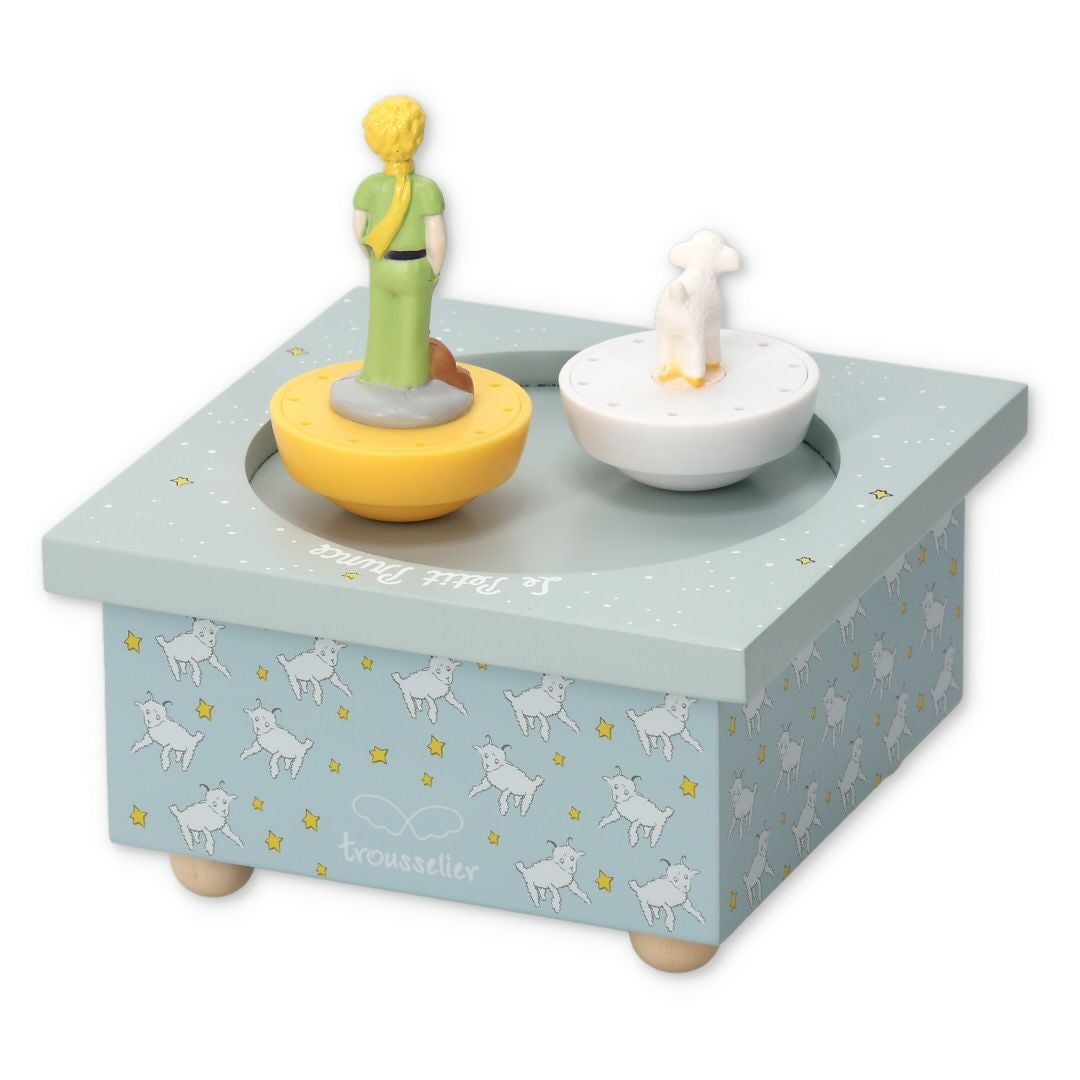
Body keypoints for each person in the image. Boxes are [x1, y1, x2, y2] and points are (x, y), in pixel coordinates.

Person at [353, 95, 446, 389]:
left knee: (380, 324)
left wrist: (373, 256)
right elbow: (436, 237)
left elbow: (359, 230)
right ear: (417, 136)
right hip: (415, 268)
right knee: (412, 329)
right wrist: (435, 270)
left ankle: (376, 373)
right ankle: (409, 379)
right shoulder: (427, 189)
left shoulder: (369, 187)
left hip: (382, 265)